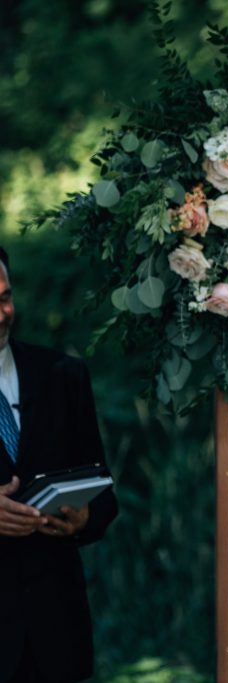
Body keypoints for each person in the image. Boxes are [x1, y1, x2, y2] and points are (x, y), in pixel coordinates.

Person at [0, 247, 119, 683]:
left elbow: (104, 491)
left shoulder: (63, 374)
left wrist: (84, 518)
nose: (1, 314)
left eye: (5, 298)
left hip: (55, 637)